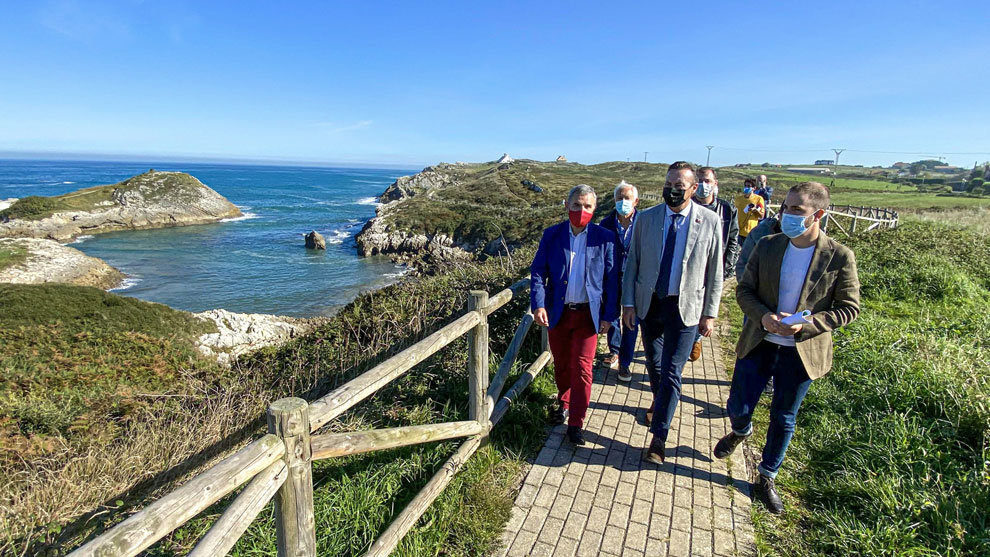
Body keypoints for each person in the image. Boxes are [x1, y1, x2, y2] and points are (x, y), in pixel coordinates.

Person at [713, 182, 860, 514]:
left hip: (801, 351)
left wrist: (805, 325)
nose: (786, 214)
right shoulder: (768, 245)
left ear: (818, 215)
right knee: (737, 403)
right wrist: (763, 316)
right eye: (785, 207)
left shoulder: (838, 257)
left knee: (784, 416)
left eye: (796, 210)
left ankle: (767, 476)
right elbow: (744, 290)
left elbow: (848, 308)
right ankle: (740, 430)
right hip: (760, 342)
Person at [622, 162, 723, 464]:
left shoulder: (710, 221)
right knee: (654, 364)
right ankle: (661, 400)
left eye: (679, 186)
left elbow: (714, 272)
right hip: (650, 302)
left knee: (671, 370)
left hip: (686, 307)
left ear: (694, 188)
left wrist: (710, 314)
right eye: (668, 184)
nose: (672, 190)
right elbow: (633, 265)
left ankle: (659, 438)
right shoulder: (647, 219)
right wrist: (628, 303)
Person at [531, 184, 619, 446]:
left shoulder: (605, 238)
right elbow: (538, 272)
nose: (582, 210)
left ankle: (576, 423)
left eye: (588, 206)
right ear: (567, 205)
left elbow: (613, 280)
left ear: (595, 208)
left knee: (582, 369)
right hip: (558, 313)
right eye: (577, 205)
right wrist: (538, 305)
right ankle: (564, 401)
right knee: (562, 365)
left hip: (587, 316)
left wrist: (609, 316)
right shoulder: (552, 235)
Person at [687, 166, 739, 362]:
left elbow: (733, 240)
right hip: (692, 267)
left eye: (707, 181)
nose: (703, 185)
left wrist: (727, 268)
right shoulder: (686, 205)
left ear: (715, 184)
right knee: (690, 306)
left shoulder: (727, 209)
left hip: (715, 267)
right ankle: (689, 339)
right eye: (699, 181)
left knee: (706, 308)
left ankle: (696, 337)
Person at [598, 180, 640, 382]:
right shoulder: (605, 225)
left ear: (636, 201)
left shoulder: (644, 223)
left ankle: (625, 362)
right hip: (611, 278)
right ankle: (614, 350)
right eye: (619, 198)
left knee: (631, 321)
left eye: (627, 198)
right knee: (612, 315)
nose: (623, 201)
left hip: (635, 280)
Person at [735, 178, 765, 245]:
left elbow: (761, 216)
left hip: (750, 232)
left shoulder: (758, 199)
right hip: (738, 231)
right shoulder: (738, 199)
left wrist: (754, 210)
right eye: (745, 186)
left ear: (754, 188)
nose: (746, 188)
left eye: (748, 186)